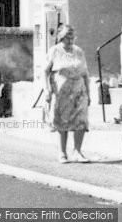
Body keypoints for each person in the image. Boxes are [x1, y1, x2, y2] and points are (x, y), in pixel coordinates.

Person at [44, 24, 91, 163]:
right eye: (66, 38)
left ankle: (77, 151)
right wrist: (47, 89)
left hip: (79, 91)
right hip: (61, 92)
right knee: (62, 121)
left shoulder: (79, 51)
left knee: (81, 121)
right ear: (60, 37)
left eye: (72, 37)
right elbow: (45, 71)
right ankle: (62, 153)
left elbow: (85, 73)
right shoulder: (54, 51)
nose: (70, 41)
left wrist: (88, 92)